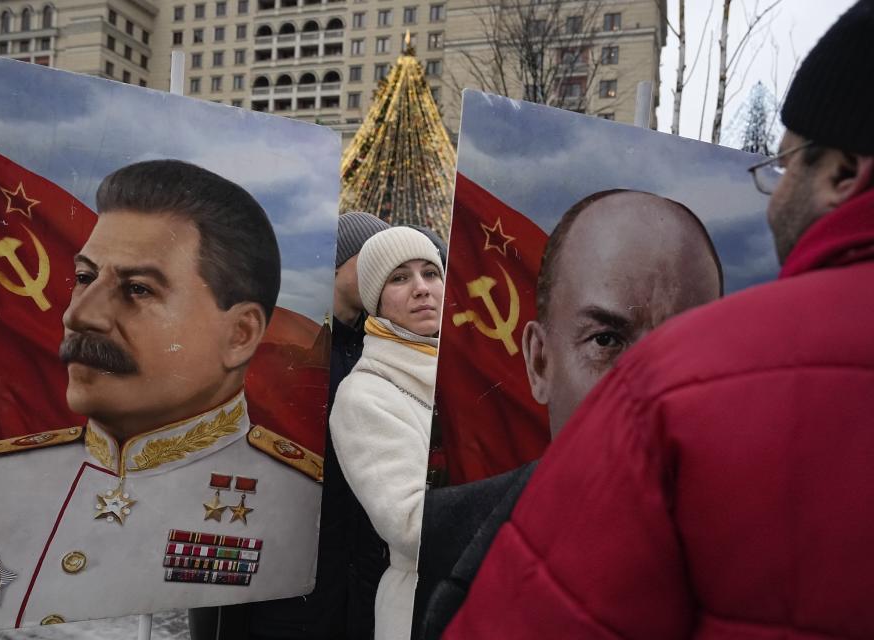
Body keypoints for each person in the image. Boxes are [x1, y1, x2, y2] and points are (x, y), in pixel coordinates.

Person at [444, 2, 874, 638]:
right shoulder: (452, 528)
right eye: (607, 339)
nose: (642, 375)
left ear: (840, 171)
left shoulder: (709, 420)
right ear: (537, 360)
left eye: (784, 165)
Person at [0, 160, 324, 632]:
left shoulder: (297, 502)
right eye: (84, 278)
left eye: (138, 289)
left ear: (240, 335)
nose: (80, 315)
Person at [415, 190, 723, 638]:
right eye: (606, 341)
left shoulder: (766, 574)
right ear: (540, 362)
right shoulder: (435, 540)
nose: (651, 390)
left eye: (685, 345)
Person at [188, 211, 391, 639]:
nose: (385, 271)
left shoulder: (375, 350)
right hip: (284, 587)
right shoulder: (288, 354)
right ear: (337, 266)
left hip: (353, 580)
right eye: (373, 257)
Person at [331, 226, 444, 640]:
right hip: (422, 608)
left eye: (431, 273)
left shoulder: (467, 379)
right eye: (400, 278)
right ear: (375, 299)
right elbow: (410, 526)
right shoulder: (364, 394)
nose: (421, 288)